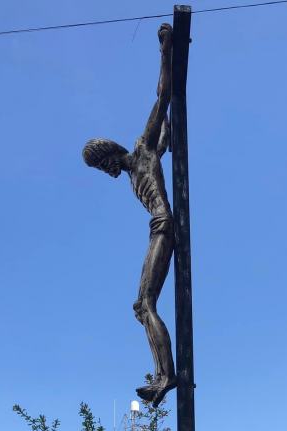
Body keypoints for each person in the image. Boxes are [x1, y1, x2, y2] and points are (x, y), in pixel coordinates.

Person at [82, 23, 176, 408]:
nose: (105, 172)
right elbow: (169, 132)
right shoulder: (135, 169)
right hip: (158, 226)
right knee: (140, 306)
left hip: (162, 225)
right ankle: (162, 373)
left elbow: (162, 97)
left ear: (108, 156)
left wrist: (165, 51)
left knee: (145, 305)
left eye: (102, 165)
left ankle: (166, 376)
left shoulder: (141, 152)